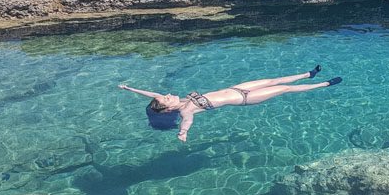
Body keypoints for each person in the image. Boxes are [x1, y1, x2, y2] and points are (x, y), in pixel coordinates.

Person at [119, 65, 341, 142]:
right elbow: (187, 123)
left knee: (273, 79)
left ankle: (308, 75)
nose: (167, 94)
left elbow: (152, 94)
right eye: (166, 99)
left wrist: (130, 89)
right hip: (245, 99)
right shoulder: (187, 110)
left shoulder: (178, 100)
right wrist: (183, 133)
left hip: (238, 87)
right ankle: (323, 85)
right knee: (284, 89)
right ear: (168, 108)